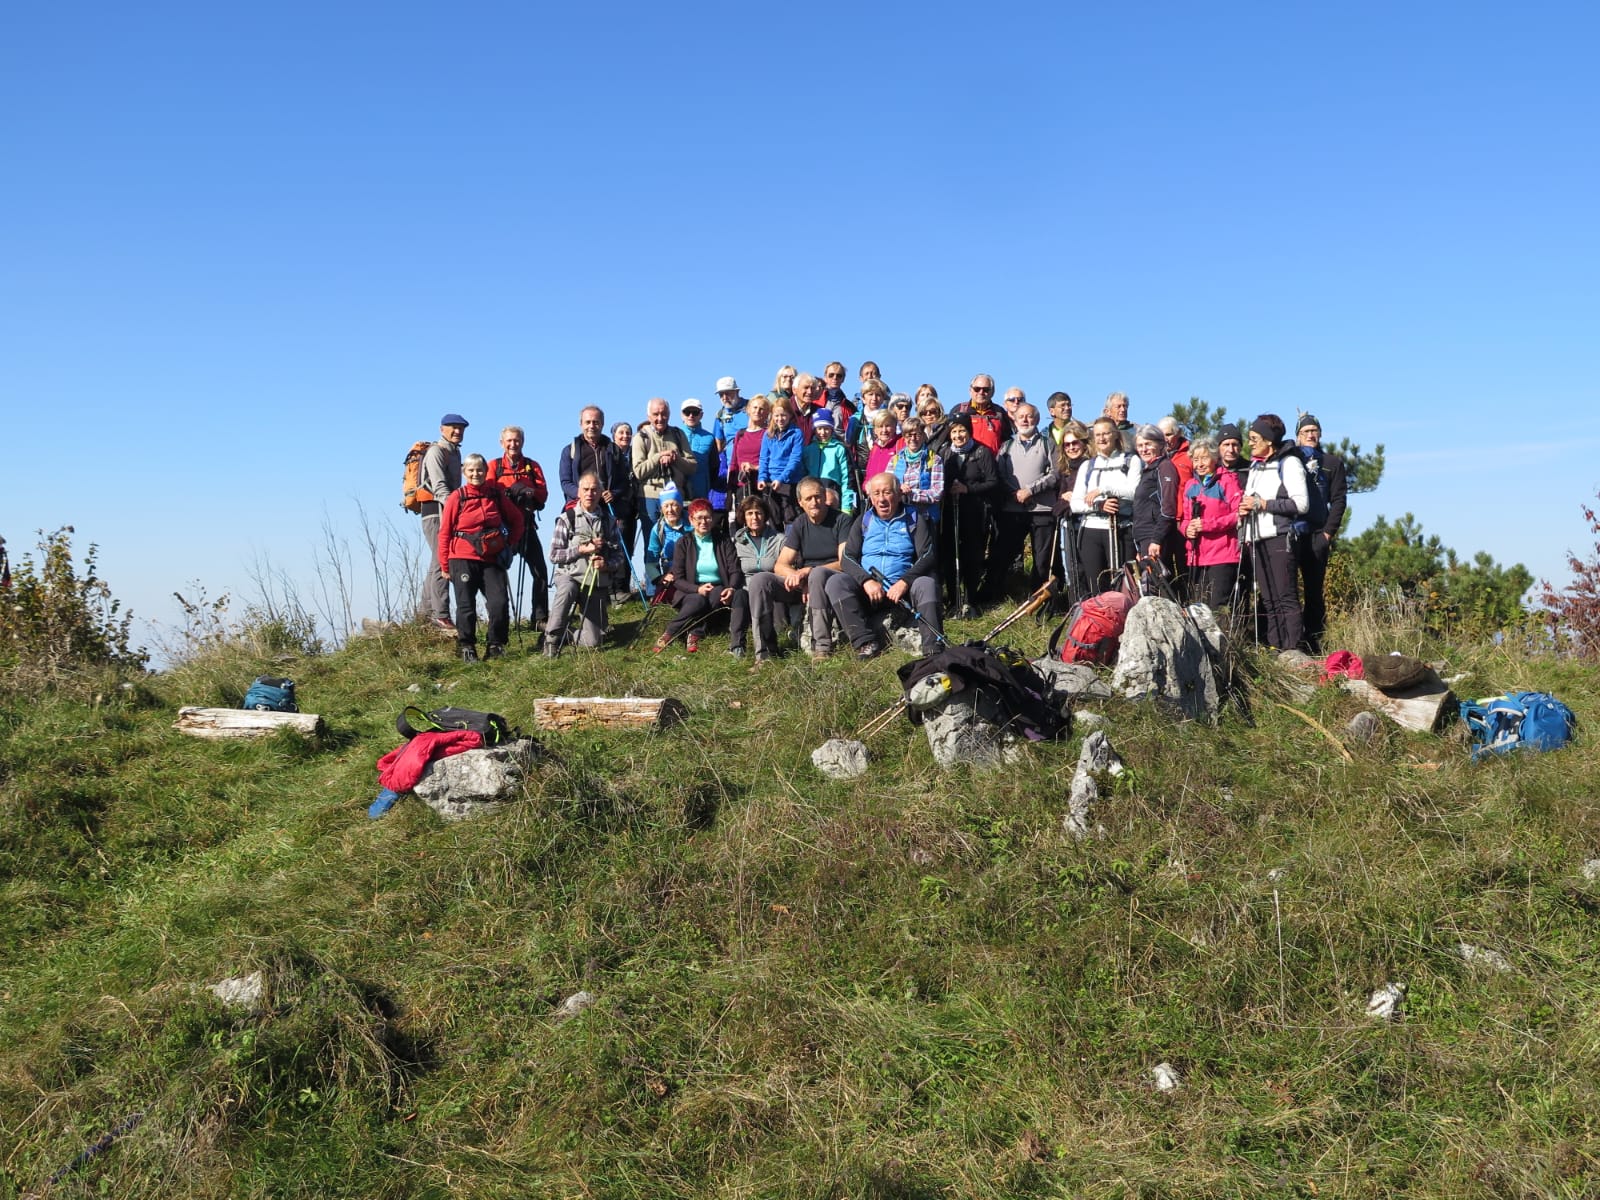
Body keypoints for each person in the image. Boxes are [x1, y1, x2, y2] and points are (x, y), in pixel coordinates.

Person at [825, 472, 944, 658]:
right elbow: (847, 558)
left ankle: (933, 649)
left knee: (926, 583)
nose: (881, 499)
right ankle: (865, 642)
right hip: (869, 591)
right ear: (871, 497)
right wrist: (866, 581)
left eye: (887, 492)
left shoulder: (914, 518)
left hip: (902, 592)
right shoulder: (864, 520)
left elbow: (928, 555)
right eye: (876, 493)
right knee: (836, 582)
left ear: (898, 494)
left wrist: (904, 582)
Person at [438, 453, 524, 662]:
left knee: (499, 602)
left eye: (479, 470)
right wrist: (444, 564)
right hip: (462, 558)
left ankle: (496, 645)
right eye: (471, 470)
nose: (475, 474)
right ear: (464, 472)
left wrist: (510, 543)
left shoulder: (495, 495)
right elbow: (445, 532)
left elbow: (517, 519)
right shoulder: (457, 497)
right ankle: (467, 646)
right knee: (466, 605)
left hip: (492, 558)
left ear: (486, 472)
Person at [1239, 414, 1309, 651]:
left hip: (1280, 537)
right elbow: (1251, 500)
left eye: (1254, 438)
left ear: (1269, 440)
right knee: (1268, 598)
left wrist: (1263, 504)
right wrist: (1244, 508)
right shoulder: (1256, 465)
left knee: (1285, 596)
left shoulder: (1289, 463)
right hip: (1256, 538)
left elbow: (1301, 504)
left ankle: (1294, 649)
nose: (1250, 443)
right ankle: (1277, 648)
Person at [759, 477, 847, 659]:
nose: (814, 502)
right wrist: (797, 576)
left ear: (824, 496)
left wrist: (809, 572)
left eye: (818, 496)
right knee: (760, 581)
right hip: (805, 583)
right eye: (808, 498)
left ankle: (822, 648)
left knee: (818, 574)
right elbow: (780, 564)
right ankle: (765, 652)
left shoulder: (842, 520)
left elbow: (844, 562)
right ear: (800, 502)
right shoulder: (800, 523)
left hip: (832, 579)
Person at [545, 474, 629, 657]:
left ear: (600, 493)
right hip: (569, 575)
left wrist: (606, 565)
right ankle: (551, 639)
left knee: (593, 643)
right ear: (579, 492)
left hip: (594, 582)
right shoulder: (566, 518)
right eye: (585, 489)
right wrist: (580, 550)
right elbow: (554, 555)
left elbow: (619, 557)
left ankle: (566, 633)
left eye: (594, 490)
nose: (590, 493)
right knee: (567, 589)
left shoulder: (609, 521)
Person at [653, 499, 750, 656]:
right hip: (689, 590)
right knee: (698, 600)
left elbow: (735, 570)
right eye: (699, 518)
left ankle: (694, 633)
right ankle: (671, 632)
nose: (703, 522)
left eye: (707, 517)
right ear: (691, 520)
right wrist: (697, 589)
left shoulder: (723, 540)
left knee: (716, 594)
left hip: (717, 587)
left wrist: (731, 588)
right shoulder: (683, 543)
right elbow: (678, 578)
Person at [985, 402, 1058, 602]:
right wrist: (1015, 492)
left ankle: (1039, 600)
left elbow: (1055, 474)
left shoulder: (1048, 444)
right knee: (1002, 554)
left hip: (1042, 510)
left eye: (1029, 416)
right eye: (1021, 417)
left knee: (1042, 559)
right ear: (1015, 420)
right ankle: (993, 597)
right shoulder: (1006, 446)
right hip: (1012, 509)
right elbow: (999, 474)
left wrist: (1030, 490)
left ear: (1037, 419)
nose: (1025, 420)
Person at [1292, 413, 1348, 653]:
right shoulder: (1291, 459)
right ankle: (1289, 640)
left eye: (1314, 431)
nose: (1310, 435)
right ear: (1297, 436)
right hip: (1292, 532)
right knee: (1287, 589)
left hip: (1317, 534)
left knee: (1314, 591)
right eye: (1305, 432)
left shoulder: (1332, 463)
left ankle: (1314, 643)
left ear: (1321, 434)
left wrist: (1328, 533)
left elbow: (1339, 500)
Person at [485, 425, 550, 631]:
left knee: (540, 571)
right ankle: (499, 620)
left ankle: (540, 618)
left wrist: (528, 492)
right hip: (503, 529)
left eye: (517, 440)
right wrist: (507, 494)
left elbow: (543, 494)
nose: (513, 444)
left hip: (527, 525)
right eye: (509, 440)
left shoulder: (532, 466)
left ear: (522, 441)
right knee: (497, 573)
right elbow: (486, 494)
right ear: (501, 443)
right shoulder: (493, 466)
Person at [1070, 416, 1142, 593]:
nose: (1101, 438)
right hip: (1091, 530)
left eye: (1106, 434)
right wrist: (1099, 506)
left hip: (1122, 529)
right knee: (1096, 585)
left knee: (1124, 584)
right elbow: (1075, 504)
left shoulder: (1131, 460)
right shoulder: (1087, 466)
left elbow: (1134, 493)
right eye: (1098, 435)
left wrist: (1104, 489)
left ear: (1116, 435)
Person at [941, 414, 1001, 617]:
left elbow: (993, 481)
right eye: (954, 431)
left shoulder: (981, 452)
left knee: (972, 556)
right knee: (950, 556)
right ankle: (953, 600)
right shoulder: (945, 453)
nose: (958, 435)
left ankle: (970, 601)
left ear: (969, 431)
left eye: (962, 430)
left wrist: (968, 489)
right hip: (950, 512)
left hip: (975, 512)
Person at [418, 413, 467, 630]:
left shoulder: (455, 452)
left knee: (436, 562)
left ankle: (424, 614)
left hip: (445, 511)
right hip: (435, 512)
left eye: (460, 428)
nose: (457, 431)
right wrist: (457, 509)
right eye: (453, 427)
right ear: (442, 429)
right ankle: (441, 615)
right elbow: (439, 487)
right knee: (442, 559)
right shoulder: (436, 452)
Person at [1182, 436, 1243, 611]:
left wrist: (1207, 525)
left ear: (1215, 458)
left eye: (1204, 458)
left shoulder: (1227, 481)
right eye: (1195, 459)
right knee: (1198, 607)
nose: (1199, 464)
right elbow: (1185, 519)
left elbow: (1238, 515)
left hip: (1222, 554)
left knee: (1218, 607)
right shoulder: (1190, 485)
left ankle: (1225, 631)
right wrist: (1187, 530)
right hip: (1196, 555)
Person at [1130, 425, 1185, 595]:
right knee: (1148, 589)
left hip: (1155, 536)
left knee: (1157, 589)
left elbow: (1168, 507)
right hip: (1144, 537)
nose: (1144, 449)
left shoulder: (1164, 466)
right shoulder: (1148, 470)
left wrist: (1156, 539)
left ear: (1160, 444)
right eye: (1140, 445)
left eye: (1148, 444)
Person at [731, 496, 785, 663]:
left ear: (765, 515)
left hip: (772, 588)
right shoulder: (737, 543)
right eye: (750, 513)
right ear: (744, 517)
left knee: (780, 626)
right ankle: (737, 647)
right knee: (739, 596)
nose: (754, 517)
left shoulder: (779, 539)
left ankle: (771, 649)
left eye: (758, 513)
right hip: (747, 590)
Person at [632, 397, 697, 525]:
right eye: (655, 414)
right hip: (650, 498)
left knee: (677, 536)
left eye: (664, 414)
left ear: (669, 414)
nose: (660, 418)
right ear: (648, 416)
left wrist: (675, 458)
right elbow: (639, 471)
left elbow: (693, 467)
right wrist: (658, 457)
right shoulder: (641, 437)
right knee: (651, 537)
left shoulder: (678, 434)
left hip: (676, 497)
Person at [1051, 420, 1094, 601]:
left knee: (1088, 568)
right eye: (1066, 444)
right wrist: (1066, 500)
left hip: (1088, 524)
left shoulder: (1092, 466)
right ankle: (1076, 605)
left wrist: (1074, 497)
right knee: (1072, 568)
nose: (1071, 448)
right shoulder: (1065, 470)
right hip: (1068, 524)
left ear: (1084, 442)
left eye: (1075, 442)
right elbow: (1058, 505)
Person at [559, 406, 630, 510]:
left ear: (602, 424)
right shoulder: (569, 451)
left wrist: (613, 493)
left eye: (596, 422)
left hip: (608, 508)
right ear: (581, 424)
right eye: (588, 422)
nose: (591, 426)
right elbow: (565, 482)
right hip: (579, 508)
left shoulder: (614, 450)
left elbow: (624, 480)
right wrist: (583, 494)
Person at [757, 394, 806, 526]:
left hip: (790, 481)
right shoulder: (768, 435)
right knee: (773, 517)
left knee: (791, 517)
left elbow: (795, 459)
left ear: (790, 415)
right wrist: (762, 478)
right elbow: (764, 458)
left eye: (783, 415)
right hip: (771, 482)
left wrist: (782, 478)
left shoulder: (796, 433)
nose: (780, 419)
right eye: (776, 415)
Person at [890, 416, 944, 527]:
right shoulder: (895, 459)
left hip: (926, 518)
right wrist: (899, 488)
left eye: (917, 434)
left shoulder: (934, 459)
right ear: (904, 437)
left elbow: (937, 493)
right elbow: (888, 486)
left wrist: (911, 494)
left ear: (923, 435)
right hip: (900, 517)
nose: (913, 438)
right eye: (909, 435)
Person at [608, 421, 641, 596]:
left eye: (628, 433)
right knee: (615, 547)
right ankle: (614, 588)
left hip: (631, 506)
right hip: (615, 506)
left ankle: (624, 587)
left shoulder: (635, 453)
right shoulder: (609, 454)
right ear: (614, 435)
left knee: (628, 547)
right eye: (621, 432)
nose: (625, 436)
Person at [804, 411, 856, 515]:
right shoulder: (808, 449)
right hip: (813, 494)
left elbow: (847, 479)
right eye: (819, 428)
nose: (822, 432)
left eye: (826, 428)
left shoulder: (839, 449)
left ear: (832, 429)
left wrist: (847, 506)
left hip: (833, 494)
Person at [725, 394, 769, 512]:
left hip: (761, 486)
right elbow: (734, 463)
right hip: (741, 487)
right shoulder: (740, 434)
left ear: (767, 413)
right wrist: (729, 490)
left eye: (762, 409)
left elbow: (773, 462)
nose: (757, 411)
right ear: (748, 409)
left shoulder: (768, 434)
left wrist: (754, 467)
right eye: (755, 407)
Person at [644, 485, 690, 596]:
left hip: (692, 571)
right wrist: (660, 578)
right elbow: (651, 561)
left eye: (674, 505)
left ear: (681, 506)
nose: (670, 510)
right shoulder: (658, 529)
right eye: (666, 506)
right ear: (661, 509)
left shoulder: (692, 524)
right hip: (671, 575)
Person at [951, 374, 1013, 455]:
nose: (981, 392)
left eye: (986, 389)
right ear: (970, 390)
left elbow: (1007, 442)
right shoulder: (959, 410)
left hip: (993, 461)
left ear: (993, 392)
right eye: (977, 389)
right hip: (965, 461)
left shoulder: (999, 413)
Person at [709, 376, 746, 510]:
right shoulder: (720, 415)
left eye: (728, 393)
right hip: (733, 467)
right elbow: (718, 445)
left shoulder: (751, 408)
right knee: (737, 506)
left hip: (753, 463)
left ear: (737, 392)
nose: (724, 397)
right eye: (721, 394)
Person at [680, 400, 718, 502]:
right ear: (682, 415)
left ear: (701, 415)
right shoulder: (675, 434)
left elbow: (714, 467)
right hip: (679, 491)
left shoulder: (709, 437)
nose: (691, 416)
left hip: (701, 491)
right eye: (687, 412)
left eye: (695, 412)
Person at [1157, 416, 1195, 492]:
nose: (1165, 439)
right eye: (1161, 435)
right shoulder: (1156, 457)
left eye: (1168, 435)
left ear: (1178, 434)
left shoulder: (1191, 454)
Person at [863, 408, 902, 480]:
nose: (884, 430)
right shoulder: (875, 448)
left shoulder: (900, 445)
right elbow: (868, 475)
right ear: (875, 430)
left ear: (895, 426)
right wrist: (866, 485)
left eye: (888, 426)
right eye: (880, 426)